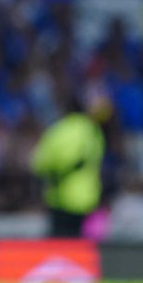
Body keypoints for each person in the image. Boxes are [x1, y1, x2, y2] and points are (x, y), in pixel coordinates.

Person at [31, 100, 105, 238]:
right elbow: (96, 159)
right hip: (87, 199)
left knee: (61, 248)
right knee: (82, 247)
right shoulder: (92, 131)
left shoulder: (57, 130)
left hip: (59, 198)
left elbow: (39, 164)